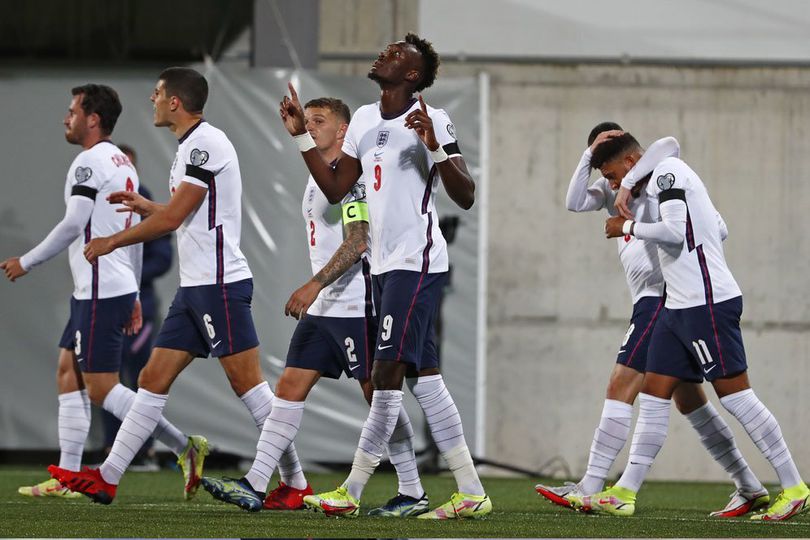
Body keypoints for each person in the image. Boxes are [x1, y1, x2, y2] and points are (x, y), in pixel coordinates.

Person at [48, 67, 307, 505]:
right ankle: (108, 478)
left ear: (175, 102)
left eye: (157, 93)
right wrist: (146, 205)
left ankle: (295, 482)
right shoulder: (190, 145)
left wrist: (111, 240)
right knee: (151, 378)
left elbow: (172, 221)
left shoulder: (205, 143)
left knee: (249, 386)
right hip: (196, 287)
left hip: (219, 284)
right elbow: (184, 213)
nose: (151, 99)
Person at [279, 33, 491, 519]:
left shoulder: (433, 119)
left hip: (416, 263)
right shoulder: (366, 119)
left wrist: (436, 149)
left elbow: (466, 194)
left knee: (385, 373)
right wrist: (301, 137)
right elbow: (334, 189)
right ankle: (472, 490)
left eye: (396, 54)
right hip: (383, 266)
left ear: (412, 75)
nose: (384, 55)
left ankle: (351, 491)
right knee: (425, 378)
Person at [201, 97, 427, 516]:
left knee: (378, 397)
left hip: (358, 308)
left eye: (319, 121)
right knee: (288, 388)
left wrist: (313, 284)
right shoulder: (320, 175)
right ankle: (258, 482)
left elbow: (359, 240)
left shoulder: (352, 180)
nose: (311, 127)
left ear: (343, 131)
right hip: (325, 312)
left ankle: (412, 488)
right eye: (308, 121)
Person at [570, 133, 809, 521]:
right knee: (653, 394)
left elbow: (676, 232)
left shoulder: (668, 174)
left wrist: (627, 228)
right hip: (677, 305)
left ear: (630, 163)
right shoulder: (656, 176)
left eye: (614, 176)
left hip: (707, 303)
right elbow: (714, 223)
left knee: (736, 397)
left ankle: (795, 486)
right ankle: (625, 491)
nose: (612, 185)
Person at [2, 84, 200, 501]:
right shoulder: (121, 161)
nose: (65, 118)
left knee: (102, 388)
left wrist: (27, 261)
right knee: (67, 373)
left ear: (92, 119)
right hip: (104, 288)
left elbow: (75, 224)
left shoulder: (89, 161)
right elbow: (134, 234)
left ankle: (184, 447)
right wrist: (131, 290)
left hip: (98, 290)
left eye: (72, 110)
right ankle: (67, 475)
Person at [100, 144, 173, 470]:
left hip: (138, 304)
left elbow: (162, 257)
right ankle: (112, 448)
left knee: (142, 377)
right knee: (103, 376)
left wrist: (128, 277)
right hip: (103, 303)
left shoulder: (144, 201)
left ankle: (146, 451)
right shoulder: (96, 198)